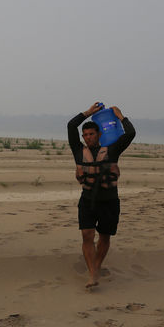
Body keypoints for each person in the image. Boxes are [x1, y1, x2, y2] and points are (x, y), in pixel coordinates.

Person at [67, 103, 136, 289]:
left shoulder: (112, 150)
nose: (88, 137)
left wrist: (120, 115)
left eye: (91, 134)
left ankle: (96, 267)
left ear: (99, 135)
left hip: (109, 202)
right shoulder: (79, 151)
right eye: (85, 135)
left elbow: (130, 134)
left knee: (104, 238)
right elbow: (70, 126)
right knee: (87, 235)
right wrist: (88, 113)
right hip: (88, 201)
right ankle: (93, 274)